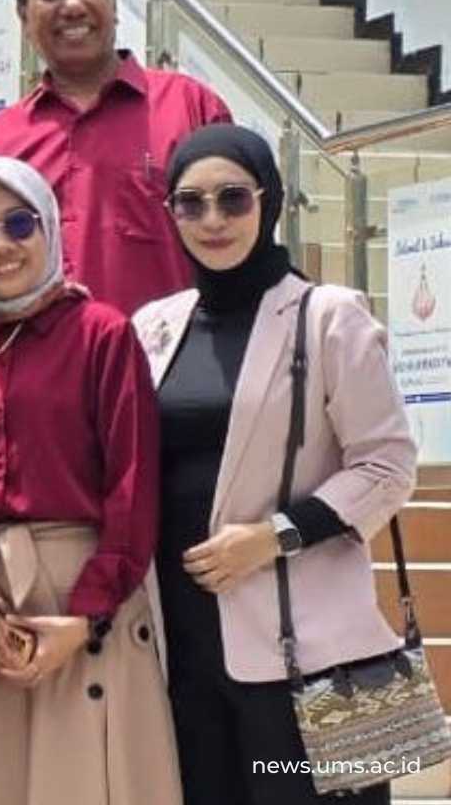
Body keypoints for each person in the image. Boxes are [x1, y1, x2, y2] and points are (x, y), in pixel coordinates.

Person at [133, 126, 417, 805]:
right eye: (191, 202)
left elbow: (387, 465)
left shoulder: (331, 317)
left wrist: (274, 536)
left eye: (233, 198)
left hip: (313, 654)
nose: (212, 219)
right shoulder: (153, 327)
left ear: (271, 200)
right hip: (186, 647)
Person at [0, 157, 181, 805]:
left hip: (88, 600)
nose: (2, 246)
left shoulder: (102, 333)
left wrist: (85, 616)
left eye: (19, 224)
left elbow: (131, 487)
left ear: (48, 224)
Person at [0, 0, 231, 316]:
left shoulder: (191, 108)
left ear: (114, 4)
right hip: (44, 354)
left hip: (171, 352)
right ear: (23, 19)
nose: (73, 6)